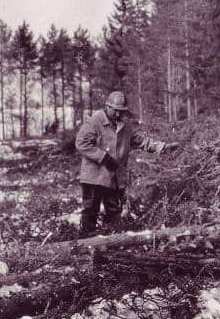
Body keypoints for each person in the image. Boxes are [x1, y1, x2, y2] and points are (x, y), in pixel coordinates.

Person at [74, 91, 178, 235]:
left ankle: (110, 243)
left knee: (114, 214)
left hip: (113, 179)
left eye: (121, 111)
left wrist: (163, 147)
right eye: (115, 110)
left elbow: (142, 141)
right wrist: (103, 157)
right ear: (107, 107)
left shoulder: (125, 127)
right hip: (93, 178)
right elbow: (81, 143)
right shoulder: (94, 121)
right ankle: (86, 244)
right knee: (90, 212)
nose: (118, 114)